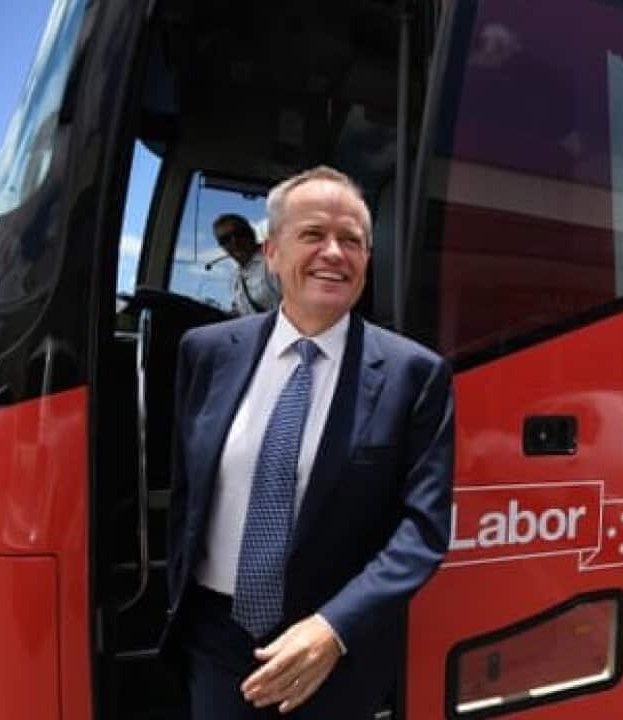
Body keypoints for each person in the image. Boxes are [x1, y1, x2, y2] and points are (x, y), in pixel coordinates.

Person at [162, 166, 454, 718]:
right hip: (217, 643)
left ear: (368, 260)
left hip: (333, 655)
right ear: (271, 252)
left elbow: (423, 529)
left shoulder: (415, 374)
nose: (334, 253)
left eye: (352, 240)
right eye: (313, 235)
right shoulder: (205, 352)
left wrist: (333, 628)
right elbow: (188, 494)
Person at [213, 213, 281, 314]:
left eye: (240, 234)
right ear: (222, 246)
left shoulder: (275, 259)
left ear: (252, 233)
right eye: (225, 239)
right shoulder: (235, 279)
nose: (234, 241)